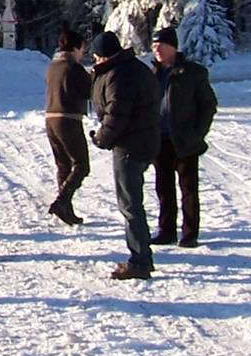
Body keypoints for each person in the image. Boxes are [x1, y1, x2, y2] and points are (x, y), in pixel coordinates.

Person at [89, 30, 161, 281]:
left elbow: (117, 114)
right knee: (132, 202)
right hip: (144, 141)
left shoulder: (119, 75)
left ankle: (140, 259)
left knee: (130, 204)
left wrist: (101, 138)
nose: (96, 61)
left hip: (130, 145)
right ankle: (140, 254)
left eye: (97, 57)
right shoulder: (134, 68)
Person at [149, 26, 219, 248]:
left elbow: (208, 104)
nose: (157, 50)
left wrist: (197, 133)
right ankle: (166, 230)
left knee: (188, 189)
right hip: (159, 140)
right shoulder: (151, 74)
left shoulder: (193, 72)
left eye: (161, 45)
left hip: (184, 140)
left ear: (173, 47)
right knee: (163, 188)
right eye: (154, 45)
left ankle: (190, 234)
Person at [44, 28, 91, 227]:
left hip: (50, 118)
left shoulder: (53, 66)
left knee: (63, 165)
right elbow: (89, 91)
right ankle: (62, 202)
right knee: (81, 165)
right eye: (82, 49)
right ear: (76, 47)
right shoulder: (73, 67)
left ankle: (66, 208)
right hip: (68, 119)